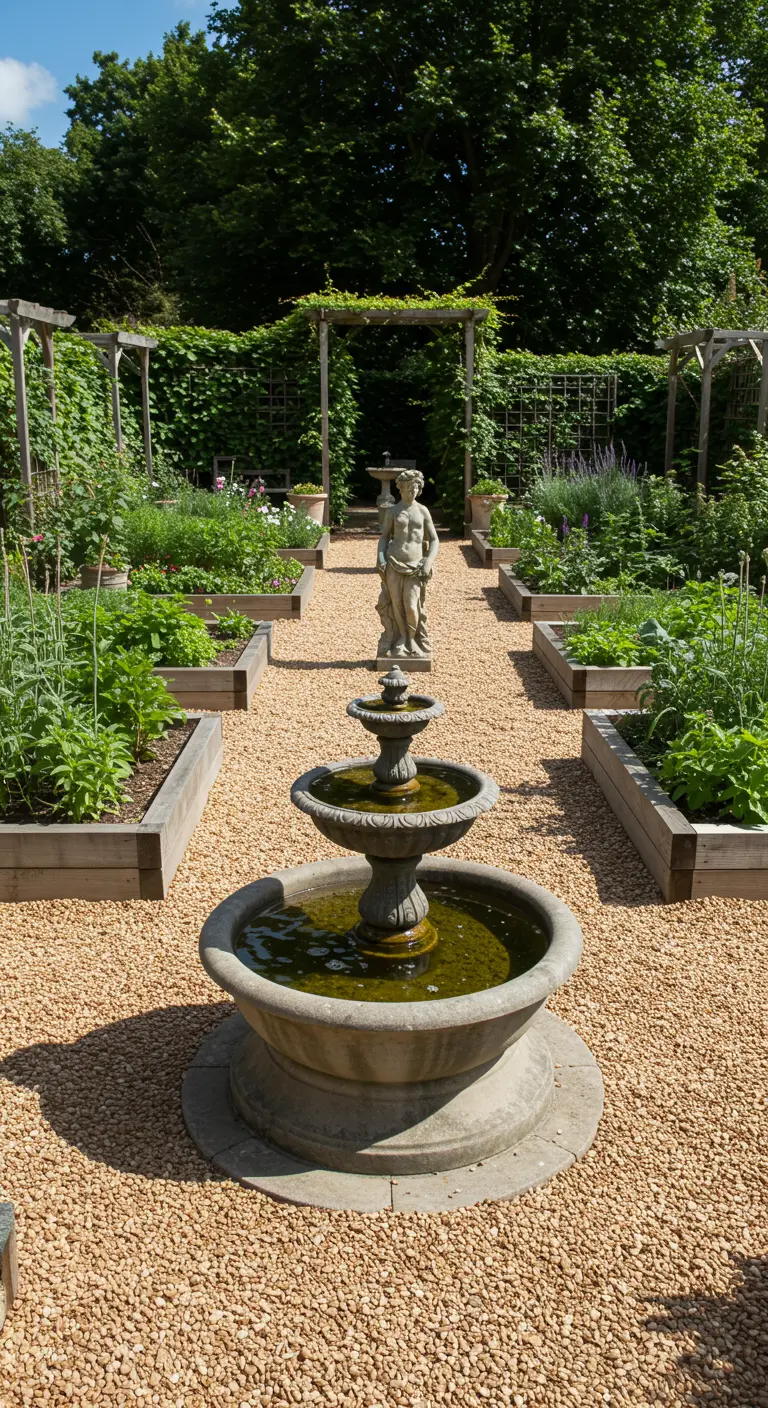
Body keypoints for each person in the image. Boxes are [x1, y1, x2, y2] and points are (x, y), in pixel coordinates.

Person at [376, 470, 438, 657]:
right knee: (396, 604)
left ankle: (413, 639)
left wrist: (428, 561)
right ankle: (402, 639)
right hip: (394, 562)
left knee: (412, 606)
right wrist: (381, 558)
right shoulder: (394, 511)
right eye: (408, 488)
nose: (412, 491)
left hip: (415, 565)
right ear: (400, 489)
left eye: (415, 488)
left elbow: (434, 540)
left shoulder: (422, 511)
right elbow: (384, 537)